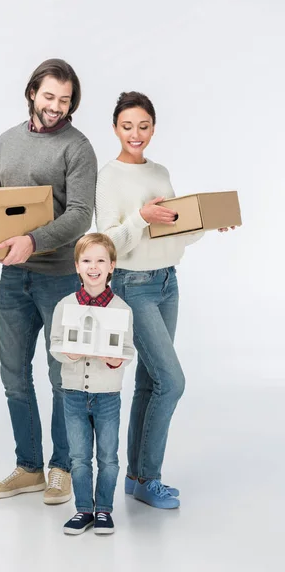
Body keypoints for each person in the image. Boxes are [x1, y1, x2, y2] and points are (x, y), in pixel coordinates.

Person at [96, 91, 234, 509]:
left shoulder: (161, 171)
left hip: (167, 282)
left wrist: (208, 224)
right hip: (131, 284)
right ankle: (150, 477)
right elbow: (108, 242)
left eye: (143, 126)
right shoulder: (108, 176)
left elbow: (172, 230)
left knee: (152, 383)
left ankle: (137, 479)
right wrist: (141, 216)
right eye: (127, 126)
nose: (135, 134)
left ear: (153, 128)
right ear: (115, 129)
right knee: (172, 382)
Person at [0, 59, 97, 505]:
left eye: (65, 100)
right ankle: (28, 467)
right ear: (32, 93)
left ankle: (61, 468)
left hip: (60, 278)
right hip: (14, 278)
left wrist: (32, 239)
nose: (56, 107)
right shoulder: (7, 141)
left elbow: (81, 214)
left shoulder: (77, 147)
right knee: (13, 376)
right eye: (49, 97)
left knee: (62, 375)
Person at [50, 233, 134, 534]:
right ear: (77, 266)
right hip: (72, 394)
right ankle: (83, 509)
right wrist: (68, 353)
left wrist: (115, 360)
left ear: (112, 266)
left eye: (101, 260)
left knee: (108, 457)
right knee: (79, 456)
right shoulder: (65, 306)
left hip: (107, 395)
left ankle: (104, 510)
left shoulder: (121, 309)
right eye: (87, 260)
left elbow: (127, 350)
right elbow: (55, 345)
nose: (93, 266)